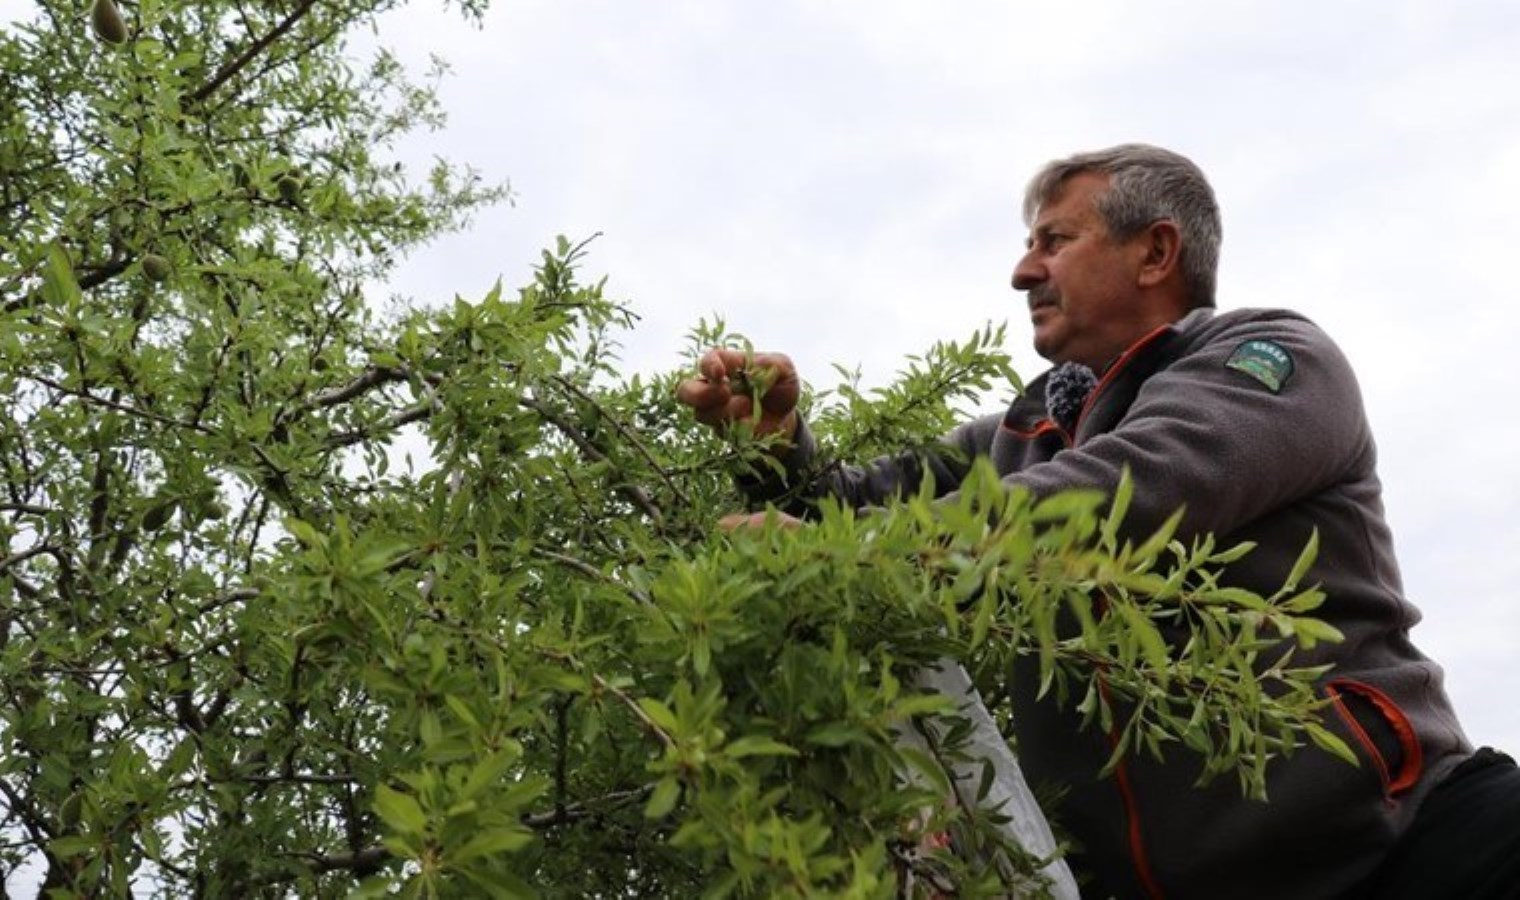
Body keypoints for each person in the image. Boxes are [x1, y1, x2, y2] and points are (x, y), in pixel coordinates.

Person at [677, 144, 1520, 899]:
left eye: (1054, 241)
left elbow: (1125, 495)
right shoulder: (1024, 431)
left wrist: (846, 549)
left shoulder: (1273, 360)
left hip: (1424, 853)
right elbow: (853, 513)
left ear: (1155, 251)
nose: (1021, 271)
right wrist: (778, 448)